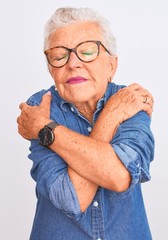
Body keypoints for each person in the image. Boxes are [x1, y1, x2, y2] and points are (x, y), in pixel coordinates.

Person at [17, 7, 155, 240]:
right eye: (60, 55)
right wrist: (111, 116)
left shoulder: (131, 100)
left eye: (88, 51)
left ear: (112, 65)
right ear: (51, 69)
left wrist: (45, 129)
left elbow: (119, 176)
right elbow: (71, 198)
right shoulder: (39, 107)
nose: (73, 63)